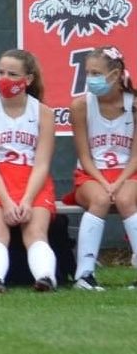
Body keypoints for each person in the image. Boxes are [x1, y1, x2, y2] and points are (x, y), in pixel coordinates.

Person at [0, 49, 57, 293]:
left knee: (35, 231)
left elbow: (42, 163)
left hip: (32, 180)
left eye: (12, 74)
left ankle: (45, 277)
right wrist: (7, 202)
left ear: (27, 79)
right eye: (0, 73)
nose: (4, 79)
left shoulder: (43, 113)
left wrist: (27, 200)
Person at [68, 46, 137, 290]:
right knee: (98, 199)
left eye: (97, 73)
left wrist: (117, 183)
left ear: (116, 74)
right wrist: (105, 183)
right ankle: (84, 275)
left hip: (128, 174)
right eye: (89, 73)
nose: (91, 80)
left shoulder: (134, 104)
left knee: (127, 198)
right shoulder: (80, 106)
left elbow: (135, 158)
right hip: (91, 174)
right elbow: (85, 157)